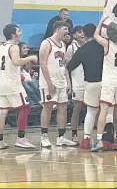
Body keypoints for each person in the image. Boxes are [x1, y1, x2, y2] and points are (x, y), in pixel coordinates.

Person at [67, 23, 117, 150]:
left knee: (91, 112)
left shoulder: (82, 49)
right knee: (109, 111)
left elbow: (69, 66)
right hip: (106, 82)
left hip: (90, 84)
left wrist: (69, 83)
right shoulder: (104, 46)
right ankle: (108, 138)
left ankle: (86, 139)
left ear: (84, 33)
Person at [0, 24, 38, 150]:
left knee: (3, 111)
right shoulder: (14, 47)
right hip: (13, 85)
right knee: (25, 108)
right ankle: (21, 138)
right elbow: (16, 61)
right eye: (19, 31)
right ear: (13, 34)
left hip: (2, 84)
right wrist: (31, 57)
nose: (21, 33)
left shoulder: (0, 47)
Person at [91, 17, 117, 153]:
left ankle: (99, 140)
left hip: (108, 81)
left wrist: (101, 21)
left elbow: (95, 35)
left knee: (104, 111)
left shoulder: (106, 44)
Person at [39, 20, 77, 148]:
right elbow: (42, 64)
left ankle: (61, 137)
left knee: (63, 107)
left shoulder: (63, 45)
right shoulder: (46, 43)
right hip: (49, 81)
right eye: (65, 29)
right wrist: (49, 83)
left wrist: (68, 81)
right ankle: (44, 136)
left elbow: (63, 65)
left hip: (61, 80)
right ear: (57, 29)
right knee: (48, 107)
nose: (67, 32)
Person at [65, 26, 86, 143]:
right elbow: (66, 67)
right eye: (79, 32)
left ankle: (91, 134)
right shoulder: (71, 48)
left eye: (83, 32)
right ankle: (74, 133)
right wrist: (69, 82)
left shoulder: (89, 46)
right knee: (77, 108)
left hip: (89, 81)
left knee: (94, 108)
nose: (82, 34)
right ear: (74, 35)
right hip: (77, 82)